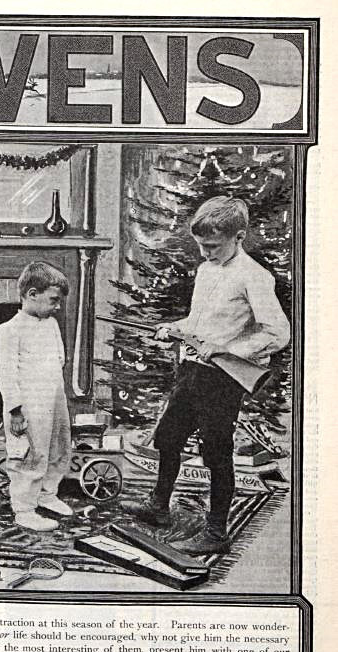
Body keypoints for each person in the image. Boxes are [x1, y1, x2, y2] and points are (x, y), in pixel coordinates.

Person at [122, 196, 290, 554]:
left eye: (212, 246)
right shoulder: (206, 270)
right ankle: (158, 506)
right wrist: (174, 327)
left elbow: (278, 333)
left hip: (221, 379)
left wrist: (229, 350)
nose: (205, 253)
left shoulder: (254, 276)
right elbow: (199, 325)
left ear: (239, 236)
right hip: (191, 368)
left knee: (216, 453)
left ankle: (216, 533)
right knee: (169, 438)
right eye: (201, 246)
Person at [0, 261, 73, 532]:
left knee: (58, 446)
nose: (58, 307)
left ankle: (47, 492)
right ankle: (24, 508)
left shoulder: (50, 325)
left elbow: (60, 358)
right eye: (53, 300)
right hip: (28, 404)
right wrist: (15, 410)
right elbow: (6, 374)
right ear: (32, 294)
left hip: (53, 396)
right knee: (28, 454)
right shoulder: (8, 331)